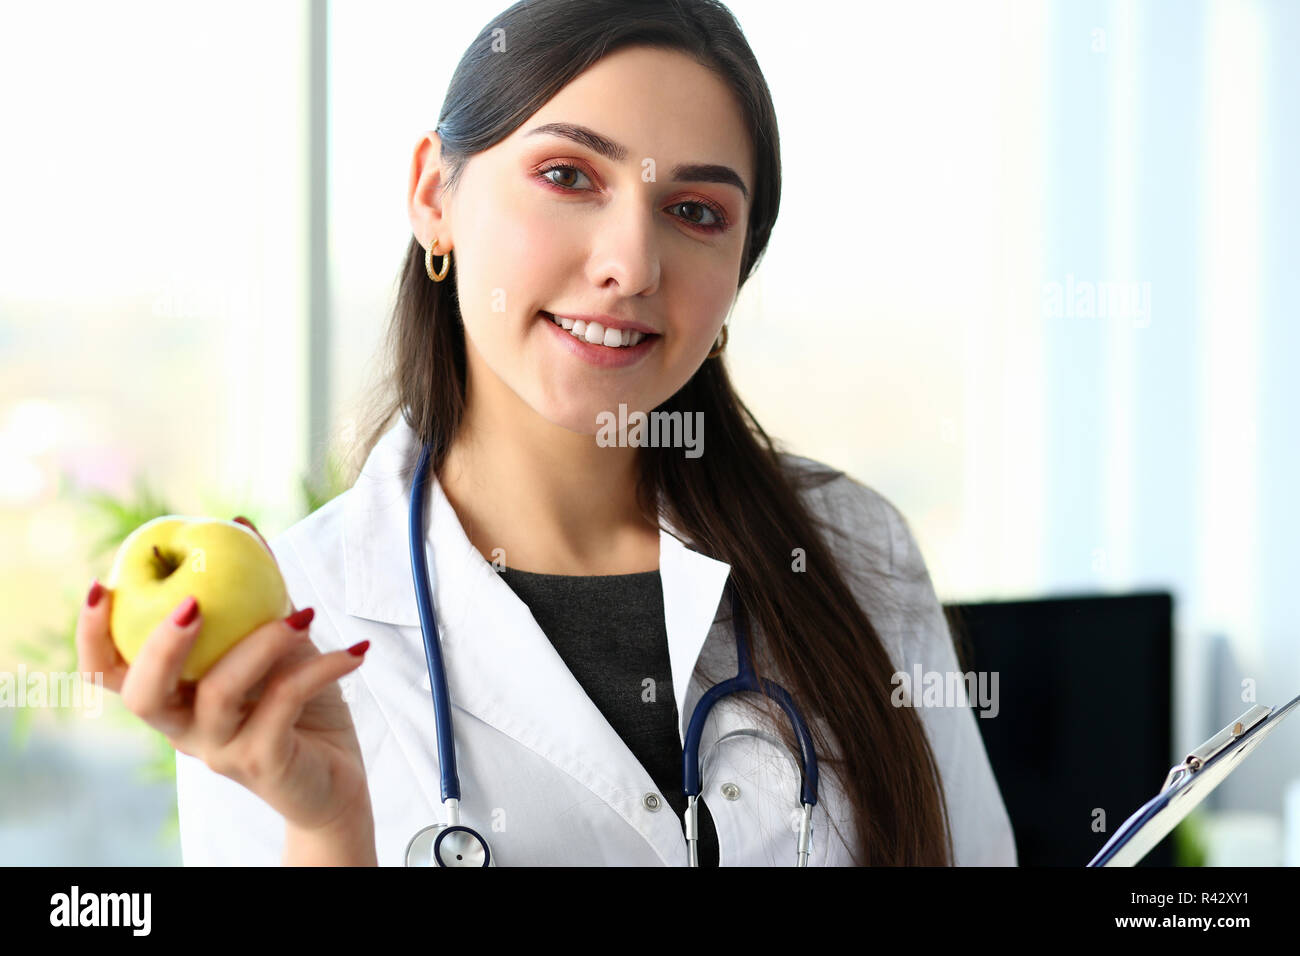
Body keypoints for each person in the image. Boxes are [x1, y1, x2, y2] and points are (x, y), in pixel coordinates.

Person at [75, 0, 1016, 866]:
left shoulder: (857, 552)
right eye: (568, 175)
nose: (631, 263)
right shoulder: (289, 630)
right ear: (434, 196)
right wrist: (329, 825)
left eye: (696, 211)